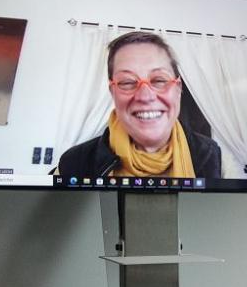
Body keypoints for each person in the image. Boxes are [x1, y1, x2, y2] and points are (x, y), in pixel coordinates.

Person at [57, 31, 221, 178]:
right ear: (112, 92)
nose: (145, 96)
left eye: (159, 80)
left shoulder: (214, 156)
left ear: (178, 89)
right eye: (127, 82)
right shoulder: (72, 163)